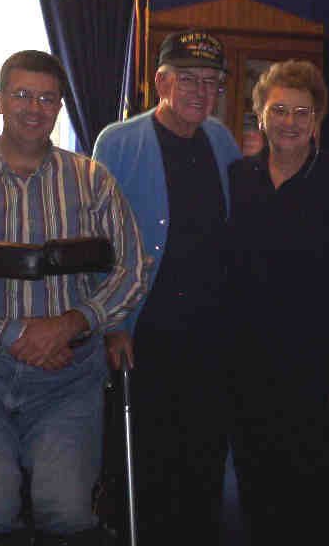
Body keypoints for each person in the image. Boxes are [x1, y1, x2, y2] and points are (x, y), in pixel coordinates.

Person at [0, 50, 149, 545]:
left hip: (69, 376)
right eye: (22, 95)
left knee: (65, 510)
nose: (34, 108)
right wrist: (14, 335)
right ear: (0, 101)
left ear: (60, 106)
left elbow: (132, 270)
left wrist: (72, 323)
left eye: (47, 98)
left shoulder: (95, 182)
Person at [92, 29, 241, 543]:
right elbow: (100, 244)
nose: (202, 91)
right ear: (161, 82)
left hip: (210, 332)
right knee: (146, 463)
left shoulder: (222, 140)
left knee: (204, 458)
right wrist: (113, 324)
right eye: (189, 79)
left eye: (212, 81)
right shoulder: (118, 142)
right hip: (145, 328)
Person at [224, 59, 329, 545]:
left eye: (301, 112)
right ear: (260, 115)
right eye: (278, 110)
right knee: (255, 490)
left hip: (315, 370)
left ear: (317, 121)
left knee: (311, 501)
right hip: (247, 368)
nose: (289, 121)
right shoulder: (238, 177)